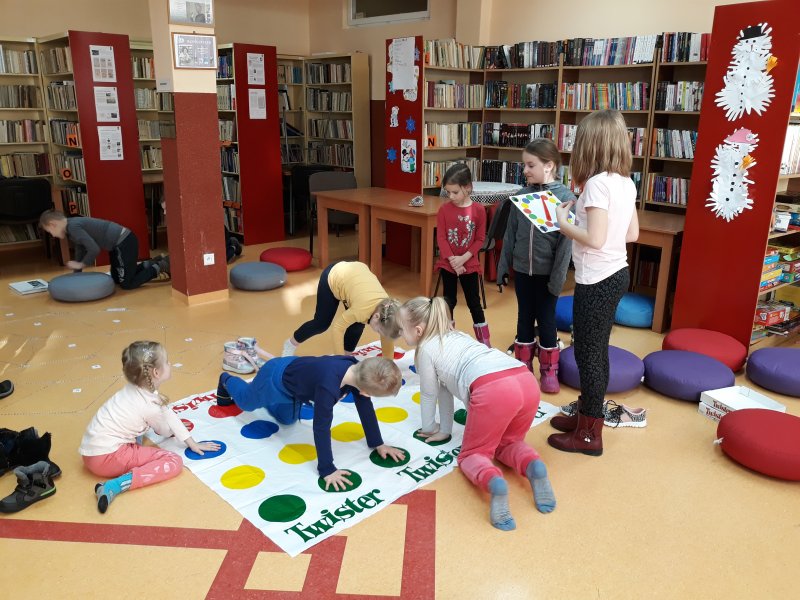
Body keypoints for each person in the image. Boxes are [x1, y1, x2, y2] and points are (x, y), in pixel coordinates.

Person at [398, 296, 556, 531]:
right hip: (524, 380)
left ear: (418, 330)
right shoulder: (458, 335)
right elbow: (444, 390)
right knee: (508, 443)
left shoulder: (425, 351)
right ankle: (533, 464)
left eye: (402, 329)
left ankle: (494, 482)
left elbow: (430, 394)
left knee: (473, 455)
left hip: (494, 389)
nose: (401, 334)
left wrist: (430, 428)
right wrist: (445, 429)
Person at [548, 110, 639, 456]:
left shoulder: (598, 184)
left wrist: (564, 223)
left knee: (589, 354)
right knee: (595, 350)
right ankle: (587, 415)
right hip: (617, 273)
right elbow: (631, 233)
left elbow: (596, 239)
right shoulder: (625, 182)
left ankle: (589, 434)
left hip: (598, 278)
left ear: (591, 145)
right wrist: (585, 222)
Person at [216, 352, 406, 491]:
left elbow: (365, 407)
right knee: (247, 402)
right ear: (365, 391)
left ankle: (269, 400)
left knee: (287, 420)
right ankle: (226, 380)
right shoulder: (328, 388)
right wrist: (327, 469)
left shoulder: (359, 369)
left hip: (295, 384)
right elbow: (321, 428)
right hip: (274, 378)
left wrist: (378, 443)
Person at [79, 341, 220, 513]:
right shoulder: (150, 407)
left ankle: (123, 468)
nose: (170, 364)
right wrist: (176, 433)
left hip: (90, 452)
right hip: (107, 458)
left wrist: (190, 441)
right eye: (167, 361)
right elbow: (164, 431)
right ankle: (115, 485)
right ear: (156, 372)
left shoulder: (136, 388)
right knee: (173, 461)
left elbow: (166, 411)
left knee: (140, 431)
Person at [497, 139, 575, 393]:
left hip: (548, 275)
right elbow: (510, 234)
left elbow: (565, 246)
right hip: (522, 271)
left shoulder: (565, 198)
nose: (525, 170)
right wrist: (503, 267)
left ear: (549, 165)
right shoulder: (521, 196)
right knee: (524, 318)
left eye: (531, 165)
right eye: (525, 165)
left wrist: (557, 280)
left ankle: (549, 370)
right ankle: (524, 367)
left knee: (547, 320)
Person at [282, 261, 401, 359]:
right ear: (376, 316)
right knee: (321, 323)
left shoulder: (387, 312)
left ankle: (347, 355)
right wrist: (339, 360)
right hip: (333, 276)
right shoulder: (361, 310)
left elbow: (387, 336)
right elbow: (338, 328)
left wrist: (388, 362)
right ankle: (291, 343)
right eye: (379, 331)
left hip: (354, 279)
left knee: (357, 325)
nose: (378, 333)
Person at [39, 210, 170, 289]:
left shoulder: (73, 227)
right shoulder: (71, 228)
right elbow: (81, 249)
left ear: (53, 224)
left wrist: (81, 264)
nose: (52, 235)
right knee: (116, 279)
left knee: (127, 284)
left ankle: (161, 266)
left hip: (124, 243)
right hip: (116, 247)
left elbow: (94, 249)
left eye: (50, 232)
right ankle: (151, 263)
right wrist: (76, 275)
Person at [435, 163, 490, 347]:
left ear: (468, 187)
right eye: (448, 192)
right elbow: (441, 238)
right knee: (448, 301)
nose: (451, 196)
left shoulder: (479, 210)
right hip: (448, 263)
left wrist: (463, 259)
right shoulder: (443, 210)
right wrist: (453, 261)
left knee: (474, 302)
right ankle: (448, 341)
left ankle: (485, 344)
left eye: (455, 192)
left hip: (469, 264)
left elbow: (480, 239)